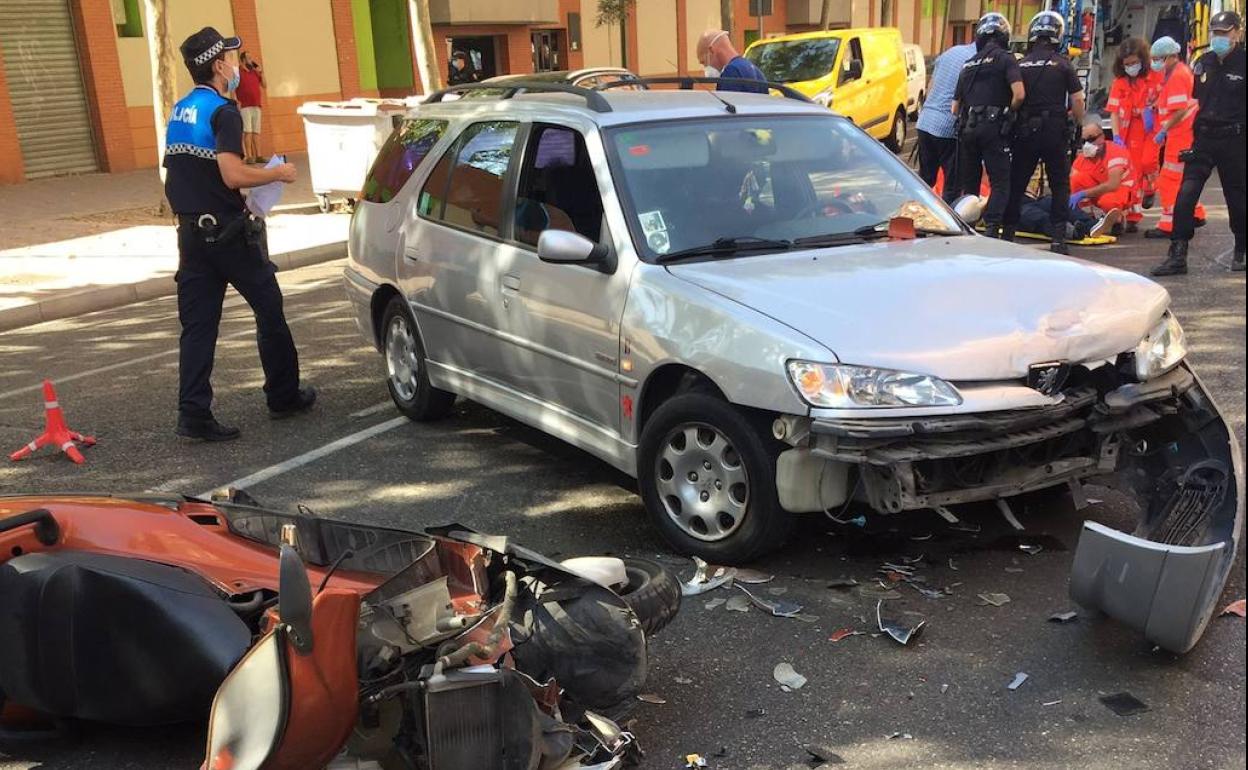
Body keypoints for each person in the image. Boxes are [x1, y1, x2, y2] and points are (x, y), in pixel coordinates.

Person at [165, 27, 315, 441]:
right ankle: (283, 396)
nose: (237, 65)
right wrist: (276, 173)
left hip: (191, 236)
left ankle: (193, 413)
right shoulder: (223, 112)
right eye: (233, 58)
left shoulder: (179, 111)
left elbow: (185, 174)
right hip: (229, 235)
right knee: (269, 308)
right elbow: (232, 174)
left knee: (198, 327)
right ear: (218, 65)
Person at [1155, 11, 1246, 275]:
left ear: (1237, 33)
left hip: (1235, 139)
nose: (1219, 38)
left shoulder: (1243, 62)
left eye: (1225, 32)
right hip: (1204, 137)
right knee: (1186, 195)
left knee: (1238, 199)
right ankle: (1177, 254)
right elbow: (1194, 100)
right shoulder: (1203, 62)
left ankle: (1241, 249)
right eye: (1216, 33)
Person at [1002, 11, 1086, 254]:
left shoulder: (1021, 64)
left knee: (1017, 183)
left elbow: (1014, 96)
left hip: (1025, 131)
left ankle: (1008, 233)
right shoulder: (1063, 64)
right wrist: (1077, 124)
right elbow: (1078, 100)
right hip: (1054, 130)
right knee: (1059, 185)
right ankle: (1058, 238)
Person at [951, 12, 1025, 238]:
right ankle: (992, 228)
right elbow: (1019, 94)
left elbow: (954, 108)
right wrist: (1008, 112)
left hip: (969, 129)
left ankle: (970, 226)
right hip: (994, 129)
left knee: (971, 184)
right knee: (1000, 182)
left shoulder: (968, 65)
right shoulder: (1005, 58)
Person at [1145, 36, 1206, 239]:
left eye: (1159, 58)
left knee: (1169, 179)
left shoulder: (1178, 75)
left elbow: (1179, 109)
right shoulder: (1176, 72)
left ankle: (1169, 224)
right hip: (1182, 133)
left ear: (1171, 56)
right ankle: (1194, 214)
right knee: (1182, 179)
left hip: (1180, 134)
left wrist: (1164, 129)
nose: (1156, 62)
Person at [1107, 37, 1161, 227]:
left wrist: (1153, 110)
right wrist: (1115, 136)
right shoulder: (1120, 83)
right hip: (1126, 131)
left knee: (1147, 164)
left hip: (1150, 129)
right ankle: (1130, 216)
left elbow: (1164, 100)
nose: (1131, 67)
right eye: (1127, 64)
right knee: (1128, 175)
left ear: (1143, 60)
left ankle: (1150, 188)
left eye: (1134, 63)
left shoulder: (1154, 78)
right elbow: (1113, 111)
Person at [916, 38, 978, 201]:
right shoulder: (977, 60)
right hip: (948, 126)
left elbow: (931, 86)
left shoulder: (951, 52)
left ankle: (920, 215)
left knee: (925, 181)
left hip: (925, 121)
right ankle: (950, 222)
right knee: (953, 186)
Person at [1070, 118, 1134, 225]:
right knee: (1076, 179)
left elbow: (1113, 185)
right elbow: (1073, 179)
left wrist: (1083, 194)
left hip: (1121, 190)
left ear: (1102, 137)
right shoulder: (1083, 158)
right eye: (1084, 141)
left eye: (1091, 139)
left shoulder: (1115, 152)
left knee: (1108, 201)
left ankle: (1117, 220)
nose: (1087, 144)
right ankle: (1086, 218)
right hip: (1100, 191)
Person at [1019, 193, 1122, 241]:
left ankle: (1092, 225)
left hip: (1029, 200)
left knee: (1055, 202)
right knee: (1037, 216)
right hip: (1012, 207)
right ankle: (1070, 231)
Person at [697, 29, 768, 93]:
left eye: (704, 62)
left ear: (711, 50)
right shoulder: (755, 71)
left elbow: (727, 105)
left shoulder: (731, 72)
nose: (705, 68)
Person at [235, 51, 264, 164]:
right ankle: (249, 156)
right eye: (248, 58)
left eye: (251, 58)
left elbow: (264, 85)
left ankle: (259, 156)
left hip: (256, 105)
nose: (251, 60)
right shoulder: (238, 72)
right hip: (245, 106)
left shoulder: (255, 72)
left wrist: (261, 72)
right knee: (248, 132)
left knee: (256, 132)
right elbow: (233, 88)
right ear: (242, 60)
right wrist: (235, 101)